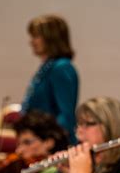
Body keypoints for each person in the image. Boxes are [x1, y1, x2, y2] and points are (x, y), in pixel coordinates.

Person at [22, 14, 79, 144]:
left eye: (36, 36)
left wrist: (48, 142)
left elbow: (66, 114)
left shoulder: (62, 67)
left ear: (51, 39)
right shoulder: (48, 67)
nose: (31, 42)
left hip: (51, 145)